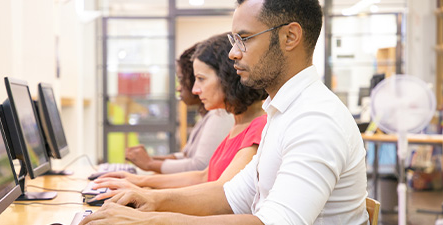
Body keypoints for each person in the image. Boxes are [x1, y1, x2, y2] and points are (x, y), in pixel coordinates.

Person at [80, 0, 369, 224]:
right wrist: (149, 200)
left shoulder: (315, 119)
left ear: (290, 37)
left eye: (244, 38)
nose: (233, 54)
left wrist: (151, 219)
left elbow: (277, 223)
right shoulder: (282, 113)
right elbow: (230, 195)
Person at [96, 33, 267, 191]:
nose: (194, 89)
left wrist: (147, 196)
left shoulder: (255, 126)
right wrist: (138, 181)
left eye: (201, 79)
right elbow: (203, 176)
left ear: (227, 78)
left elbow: (220, 195)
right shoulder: (237, 124)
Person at [124, 44, 234, 174]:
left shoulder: (221, 115)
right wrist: (149, 160)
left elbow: (200, 166)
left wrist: (150, 164)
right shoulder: (210, 114)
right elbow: (188, 156)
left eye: (201, 79)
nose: (179, 88)